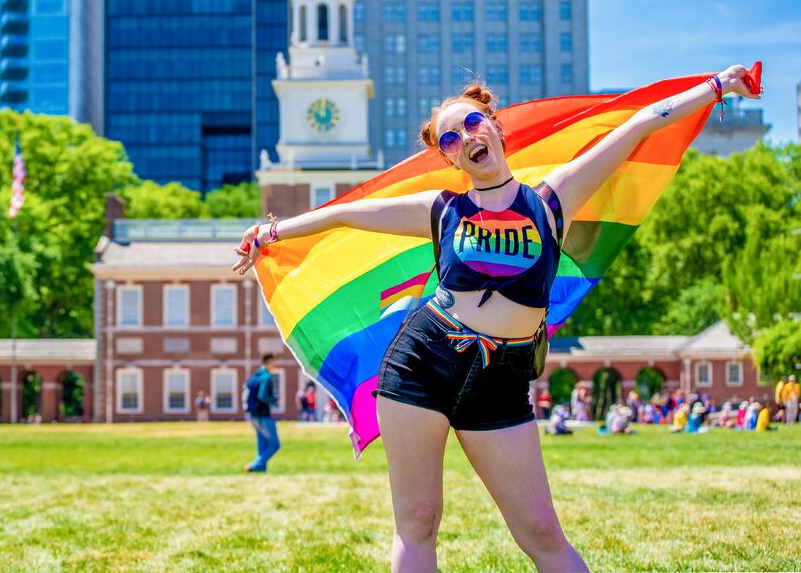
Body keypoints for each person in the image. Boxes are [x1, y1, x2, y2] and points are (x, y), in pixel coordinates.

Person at [232, 66, 762, 572]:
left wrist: (716, 87)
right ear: (448, 158)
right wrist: (271, 233)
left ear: (493, 125)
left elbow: (640, 123)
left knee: (541, 533)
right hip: (422, 363)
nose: (465, 138)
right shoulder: (441, 210)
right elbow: (347, 213)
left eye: (471, 123)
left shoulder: (553, 201)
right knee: (417, 522)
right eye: (450, 140)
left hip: (503, 379)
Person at [244, 353, 280, 473]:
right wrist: (275, 400)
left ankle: (260, 469)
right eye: (273, 362)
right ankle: (254, 465)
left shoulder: (255, 376)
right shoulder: (266, 377)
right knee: (275, 445)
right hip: (263, 415)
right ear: (269, 362)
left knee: (262, 443)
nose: (275, 364)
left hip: (253, 415)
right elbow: (262, 396)